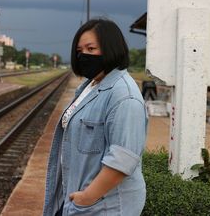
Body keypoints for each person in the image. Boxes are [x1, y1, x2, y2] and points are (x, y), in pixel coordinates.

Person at [43, 19, 148, 216]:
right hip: (78, 201)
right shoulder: (91, 86)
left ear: (111, 49)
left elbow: (123, 160)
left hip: (103, 207)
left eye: (91, 49)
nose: (84, 56)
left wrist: (86, 198)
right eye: (80, 51)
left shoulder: (124, 96)